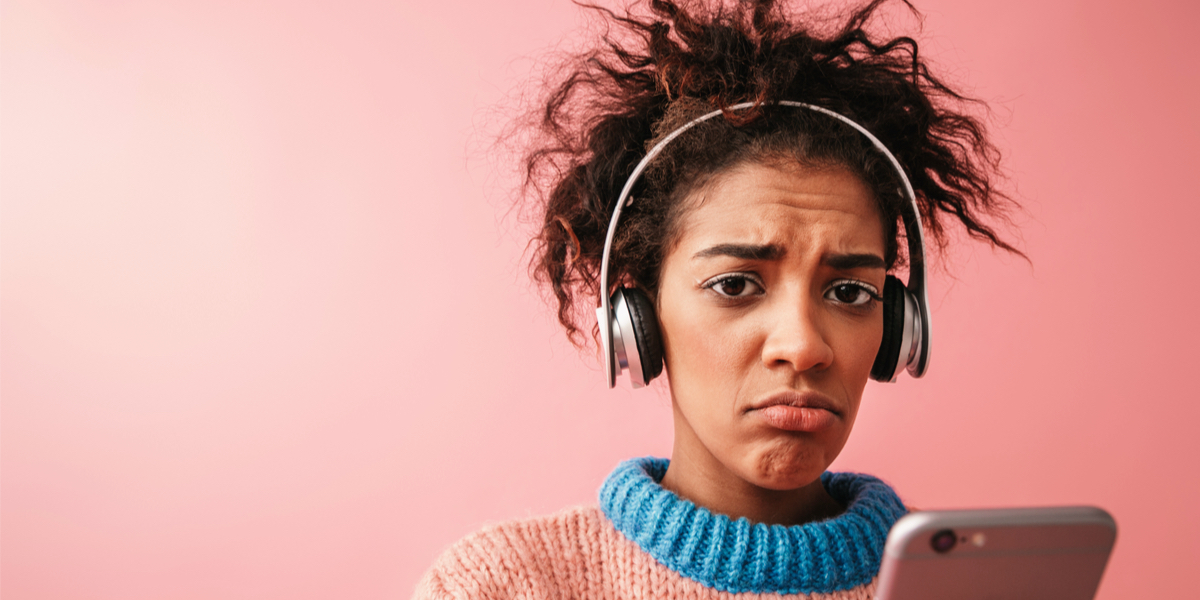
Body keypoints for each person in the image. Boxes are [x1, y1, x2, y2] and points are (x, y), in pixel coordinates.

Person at [414, 0, 1020, 598]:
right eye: (735, 284)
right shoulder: (498, 586)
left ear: (899, 330)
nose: (803, 347)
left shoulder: (978, 586)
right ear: (639, 318)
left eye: (850, 292)